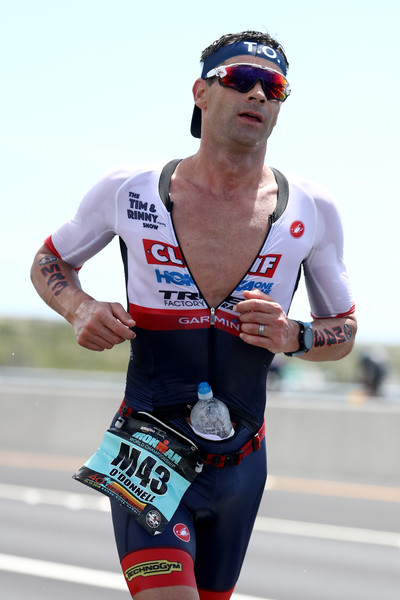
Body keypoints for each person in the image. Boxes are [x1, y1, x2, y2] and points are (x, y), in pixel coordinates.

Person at [31, 30, 357, 600]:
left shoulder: (312, 208)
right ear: (201, 93)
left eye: (274, 87)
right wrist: (80, 308)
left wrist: (294, 334)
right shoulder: (130, 189)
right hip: (147, 449)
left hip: (242, 464)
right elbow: (48, 262)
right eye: (241, 79)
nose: (258, 94)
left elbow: (345, 330)